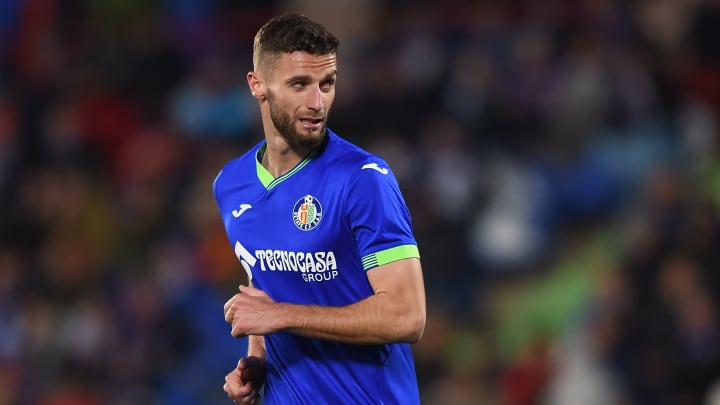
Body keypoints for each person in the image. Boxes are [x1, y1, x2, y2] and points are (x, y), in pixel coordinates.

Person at [214, 13, 426, 404]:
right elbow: (266, 281)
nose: (317, 103)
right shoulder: (231, 184)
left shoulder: (363, 179)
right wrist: (257, 358)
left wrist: (282, 315)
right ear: (257, 85)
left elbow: (406, 316)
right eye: (299, 84)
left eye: (327, 84)